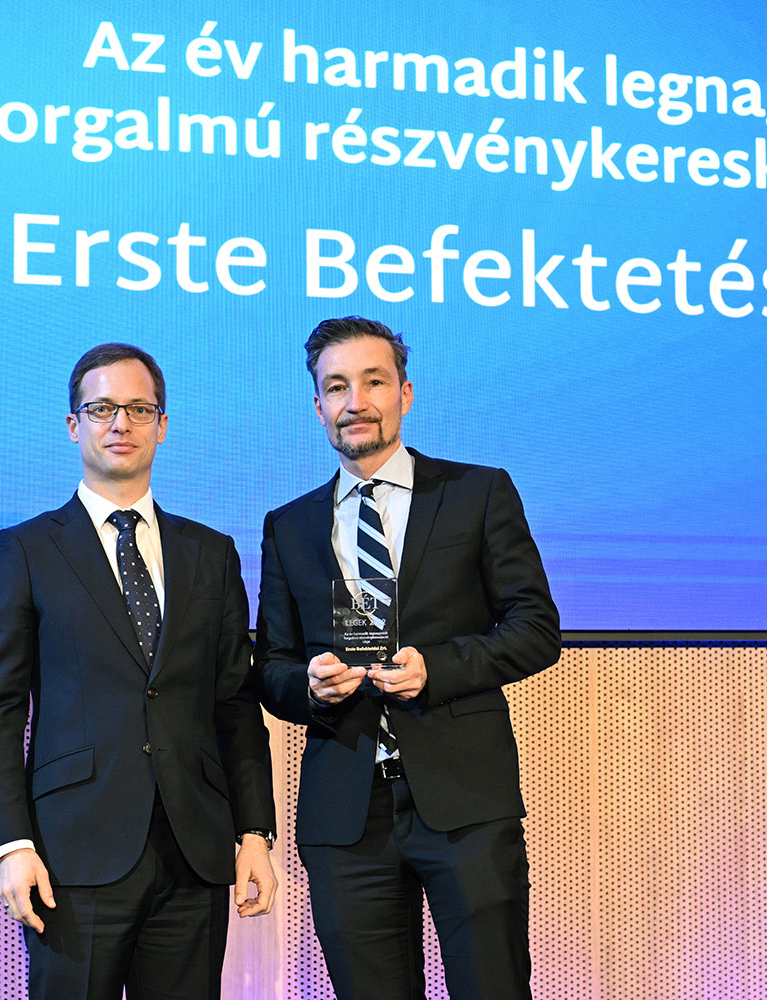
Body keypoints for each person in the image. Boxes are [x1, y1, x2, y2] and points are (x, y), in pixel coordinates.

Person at [253, 317, 560, 1000]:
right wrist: (309, 686)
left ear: (405, 393)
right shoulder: (289, 526)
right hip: (345, 814)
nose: (355, 402)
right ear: (317, 406)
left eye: (373, 382)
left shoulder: (477, 493)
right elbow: (271, 668)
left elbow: (537, 628)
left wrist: (437, 669)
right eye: (337, 387)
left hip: (465, 802)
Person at [0, 343, 278, 1000]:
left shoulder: (211, 553)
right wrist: (11, 844)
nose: (120, 423)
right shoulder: (26, 550)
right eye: (102, 408)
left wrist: (254, 832)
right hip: (72, 853)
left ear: (162, 425)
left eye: (139, 409)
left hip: (193, 854)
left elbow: (234, 705)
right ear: (73, 424)